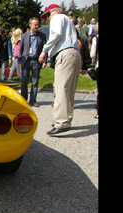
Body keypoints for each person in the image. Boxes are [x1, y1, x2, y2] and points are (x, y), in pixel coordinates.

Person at [39, 4, 82, 136]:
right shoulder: (68, 21)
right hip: (74, 53)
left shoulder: (58, 18)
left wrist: (44, 50)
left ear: (55, 11)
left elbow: (56, 34)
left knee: (60, 88)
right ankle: (66, 119)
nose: (48, 18)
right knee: (69, 89)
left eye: (48, 15)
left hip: (65, 53)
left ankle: (61, 122)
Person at [19, 17, 47, 107]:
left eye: (38, 25)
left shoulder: (42, 36)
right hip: (26, 61)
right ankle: (24, 100)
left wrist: (44, 61)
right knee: (24, 81)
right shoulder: (24, 36)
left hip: (36, 61)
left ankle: (33, 100)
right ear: (30, 25)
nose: (37, 26)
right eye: (35, 25)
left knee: (35, 82)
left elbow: (44, 49)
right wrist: (20, 61)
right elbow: (21, 49)